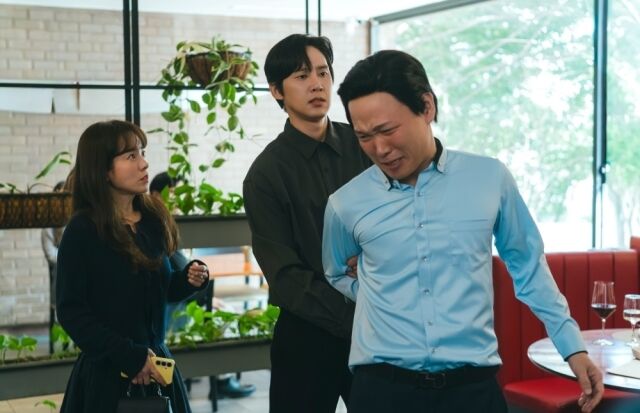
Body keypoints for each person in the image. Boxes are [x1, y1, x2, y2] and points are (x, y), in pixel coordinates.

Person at [322, 50, 604, 413]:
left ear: (427, 107)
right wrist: (380, 294)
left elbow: (528, 266)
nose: (379, 149)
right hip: (381, 391)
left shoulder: (490, 178)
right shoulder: (345, 203)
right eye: (364, 137)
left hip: (472, 390)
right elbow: (335, 271)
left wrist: (572, 347)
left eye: (388, 130)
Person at [243, 34, 371, 412]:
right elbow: (285, 274)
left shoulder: (365, 146)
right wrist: (354, 316)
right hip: (308, 334)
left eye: (323, 72)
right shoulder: (266, 174)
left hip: (378, 326)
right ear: (276, 91)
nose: (317, 84)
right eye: (301, 76)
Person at [56, 120, 210, 413]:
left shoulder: (151, 219)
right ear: (102, 170)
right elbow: (71, 311)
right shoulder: (83, 230)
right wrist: (129, 356)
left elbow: (157, 290)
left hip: (157, 368)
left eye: (142, 153)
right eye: (131, 156)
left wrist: (187, 281)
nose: (144, 163)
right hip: (107, 375)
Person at [149, 171, 256, 401]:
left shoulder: (169, 227)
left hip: (180, 305)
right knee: (225, 314)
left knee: (224, 308)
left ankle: (220, 378)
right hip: (175, 313)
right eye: (175, 195)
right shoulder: (158, 228)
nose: (180, 202)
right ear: (156, 195)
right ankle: (223, 381)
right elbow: (179, 278)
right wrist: (205, 297)